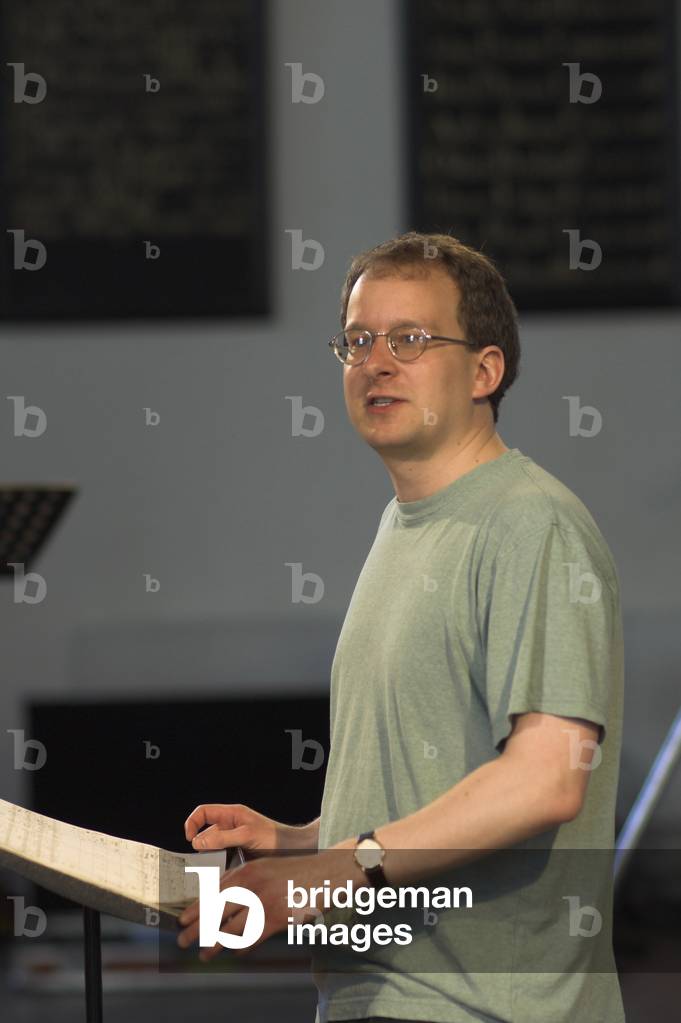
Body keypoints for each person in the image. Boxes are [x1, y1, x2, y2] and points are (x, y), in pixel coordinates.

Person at [176, 232, 625, 1023]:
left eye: (410, 339)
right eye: (357, 340)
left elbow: (545, 777)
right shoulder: (408, 524)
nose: (375, 361)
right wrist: (299, 841)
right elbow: (440, 776)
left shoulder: (530, 525)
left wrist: (334, 868)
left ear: (484, 370)